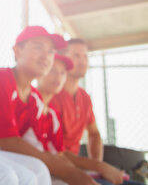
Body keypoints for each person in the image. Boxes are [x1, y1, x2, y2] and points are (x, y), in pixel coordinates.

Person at [0, 26, 99, 185]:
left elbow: (45, 149)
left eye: (51, 51)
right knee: (8, 176)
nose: (46, 56)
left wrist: (75, 169)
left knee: (37, 170)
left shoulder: (35, 98)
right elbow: (8, 141)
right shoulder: (1, 77)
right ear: (17, 51)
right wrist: (69, 171)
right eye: (39, 47)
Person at [36, 54, 140, 185]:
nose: (58, 76)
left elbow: (61, 152)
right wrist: (95, 167)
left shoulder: (53, 112)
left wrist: (97, 166)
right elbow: (49, 155)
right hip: (48, 172)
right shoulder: (33, 102)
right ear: (41, 71)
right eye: (52, 70)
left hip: (68, 166)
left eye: (62, 73)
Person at [50, 39, 103, 160]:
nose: (82, 61)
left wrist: (97, 164)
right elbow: (53, 150)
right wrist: (97, 167)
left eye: (85, 56)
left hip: (76, 165)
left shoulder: (85, 97)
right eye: (76, 56)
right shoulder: (52, 94)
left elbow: (94, 133)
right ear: (63, 59)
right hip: (57, 165)